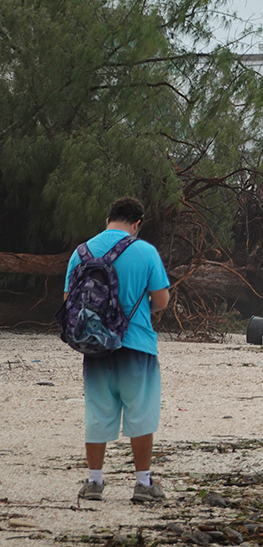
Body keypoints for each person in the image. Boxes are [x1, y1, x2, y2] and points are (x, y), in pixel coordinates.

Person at [63, 197, 170, 503]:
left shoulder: (81, 252)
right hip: (136, 343)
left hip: (95, 346)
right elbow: (161, 301)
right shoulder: (145, 251)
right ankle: (143, 483)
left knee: (97, 411)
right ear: (137, 223)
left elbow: (69, 298)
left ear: (108, 218)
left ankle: (94, 482)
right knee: (141, 412)